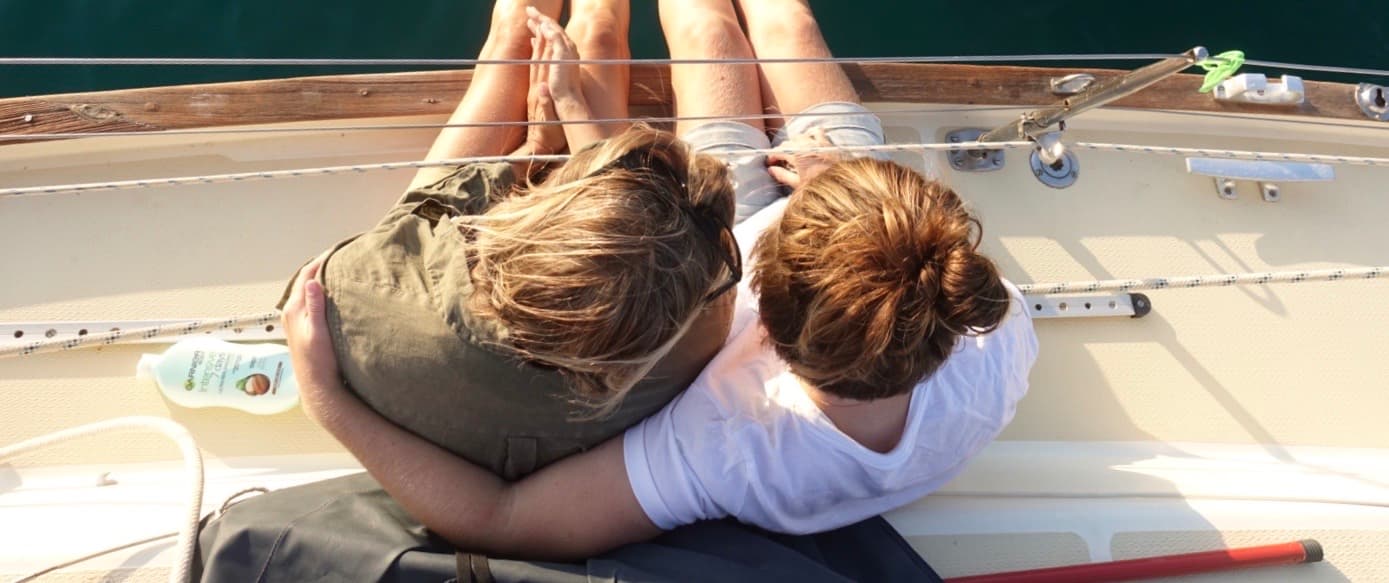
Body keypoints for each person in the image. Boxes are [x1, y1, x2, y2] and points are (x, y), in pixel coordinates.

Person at [280, 0, 1039, 562]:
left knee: (709, 35)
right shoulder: (975, 315)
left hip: (828, 216)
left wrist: (329, 402)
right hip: (865, 219)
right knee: (782, 32)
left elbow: (502, 516)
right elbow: (913, 257)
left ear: (756, 324)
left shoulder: (727, 441)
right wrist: (848, 187)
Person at [295, 0, 742, 480]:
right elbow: (636, 250)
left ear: (513, 220)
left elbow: (433, 207)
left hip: (432, 275)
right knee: (590, 38)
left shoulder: (361, 292)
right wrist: (568, 117)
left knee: (513, 39)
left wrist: (535, 151)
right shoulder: (688, 345)